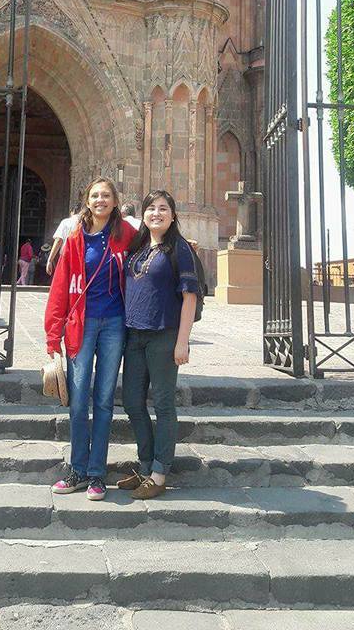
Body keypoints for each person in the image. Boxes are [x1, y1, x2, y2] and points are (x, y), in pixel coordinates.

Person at [44, 177, 137, 501]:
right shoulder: (75, 238)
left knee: (104, 400)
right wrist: (52, 335)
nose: (100, 200)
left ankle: (97, 473)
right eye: (95, 195)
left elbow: (155, 246)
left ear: (115, 201)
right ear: (87, 201)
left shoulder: (126, 234)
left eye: (106, 195)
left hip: (114, 325)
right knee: (79, 398)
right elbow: (60, 287)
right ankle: (78, 469)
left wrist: (182, 246)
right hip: (80, 326)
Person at [119, 189, 200, 499]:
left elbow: (190, 297)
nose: (156, 213)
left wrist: (183, 342)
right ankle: (145, 465)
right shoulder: (138, 247)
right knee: (132, 402)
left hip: (164, 335)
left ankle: (159, 473)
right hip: (134, 335)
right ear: (143, 215)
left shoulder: (180, 248)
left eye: (163, 208)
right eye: (151, 208)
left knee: (164, 404)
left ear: (173, 215)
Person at [47, 206, 81, 275]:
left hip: (66, 256)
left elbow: (58, 240)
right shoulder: (86, 224)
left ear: (72, 212)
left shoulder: (66, 222)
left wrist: (50, 260)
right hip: (81, 257)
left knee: (65, 278)